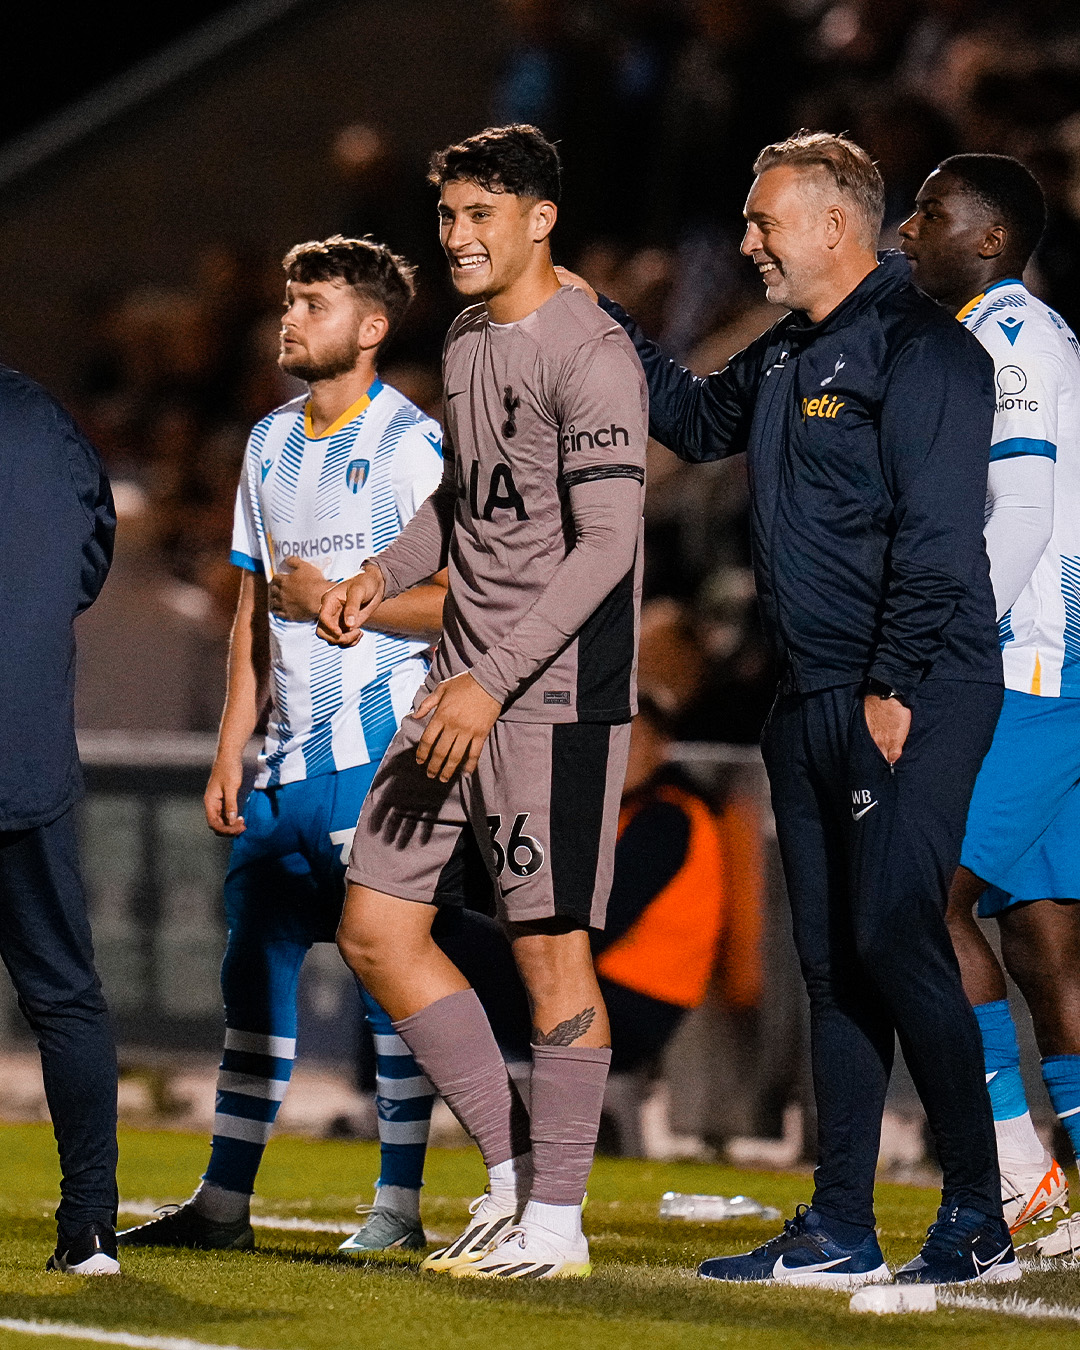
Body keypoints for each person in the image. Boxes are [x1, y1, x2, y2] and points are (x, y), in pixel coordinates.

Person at [560, 130, 1016, 1286]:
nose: (749, 242)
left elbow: (938, 533)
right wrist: (601, 315)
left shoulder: (926, 351)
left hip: (908, 687)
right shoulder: (787, 352)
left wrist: (892, 684)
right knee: (831, 964)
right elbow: (701, 423)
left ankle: (977, 1216)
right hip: (807, 691)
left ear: (832, 224)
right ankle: (839, 1224)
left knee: (894, 939)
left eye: (765, 223)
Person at [318, 124, 648, 1280]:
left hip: (542, 695)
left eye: (479, 217)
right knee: (375, 928)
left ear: (540, 219)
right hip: (457, 683)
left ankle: (557, 1230)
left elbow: (609, 544)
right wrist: (383, 573)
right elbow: (465, 496)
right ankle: (516, 1186)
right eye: (448, 216)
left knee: (552, 958)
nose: (456, 238)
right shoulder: (462, 337)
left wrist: (491, 680)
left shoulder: (595, 353)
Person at [117, 235, 452, 1255]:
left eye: (313, 305)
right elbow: (252, 612)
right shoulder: (265, 444)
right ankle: (224, 1202)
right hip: (279, 765)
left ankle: (397, 1207)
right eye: (289, 303)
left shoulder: (413, 446)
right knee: (249, 972)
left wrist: (356, 605)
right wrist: (231, 745)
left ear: (374, 327)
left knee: (390, 976)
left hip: (379, 755)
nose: (290, 319)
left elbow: (465, 602)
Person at [899, 155, 1080, 1254]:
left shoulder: (1009, 337)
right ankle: (1056, 1200)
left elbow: (1018, 512)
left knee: (919, 904)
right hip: (1049, 667)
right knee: (1049, 942)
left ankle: (1018, 1170)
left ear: (991, 238)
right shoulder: (1016, 334)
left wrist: (932, 655)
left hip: (1023, 670)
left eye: (929, 214)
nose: (907, 230)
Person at [0, 364, 118, 1274]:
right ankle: (89, 1230)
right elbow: (92, 551)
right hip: (24, 745)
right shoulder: (40, 414)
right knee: (65, 997)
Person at [594, 695, 730, 1157]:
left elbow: (602, 922)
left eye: (631, 742)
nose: (617, 755)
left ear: (661, 748)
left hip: (634, 998)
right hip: (628, 992)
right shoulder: (637, 810)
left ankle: (381, 1100)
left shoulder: (667, 815)